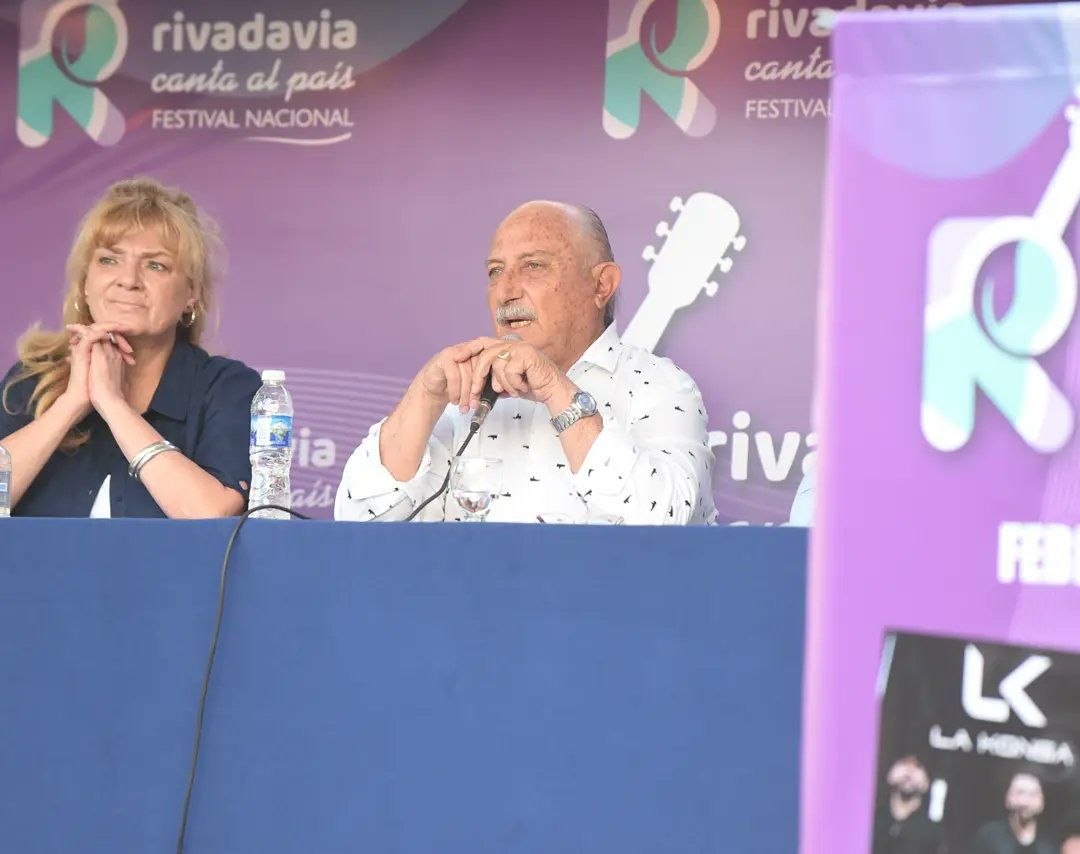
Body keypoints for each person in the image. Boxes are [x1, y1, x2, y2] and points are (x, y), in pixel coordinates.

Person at [335, 200, 716, 524]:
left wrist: (554, 388)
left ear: (601, 285)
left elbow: (667, 523)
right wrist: (425, 396)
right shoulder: (466, 399)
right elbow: (358, 525)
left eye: (533, 266)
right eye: (495, 271)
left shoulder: (659, 386)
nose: (505, 291)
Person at [0, 178, 260, 518]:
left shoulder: (227, 388)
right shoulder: (31, 380)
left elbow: (211, 517)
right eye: (109, 260)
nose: (129, 280)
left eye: (155, 265)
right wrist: (70, 404)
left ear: (191, 293)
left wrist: (112, 405)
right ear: (85, 283)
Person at [872, 755, 943, 854]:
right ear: (889, 774)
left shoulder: (931, 833)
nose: (910, 770)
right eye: (903, 762)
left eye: (918, 766)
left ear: (926, 782)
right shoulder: (871, 820)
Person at [971, 772, 1055, 854]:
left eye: (1033, 795)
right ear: (1008, 798)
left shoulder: (1051, 842)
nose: (1025, 801)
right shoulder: (989, 836)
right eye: (1020, 793)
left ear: (1042, 802)